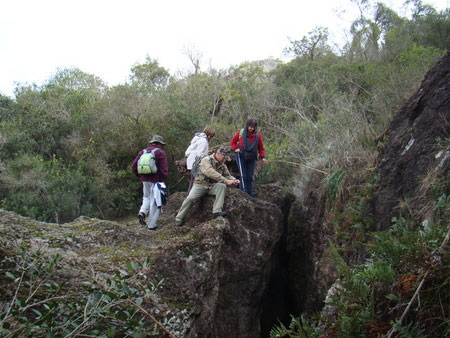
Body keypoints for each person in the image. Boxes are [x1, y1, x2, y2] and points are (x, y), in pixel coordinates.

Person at [175, 146, 240, 226]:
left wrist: (234, 180)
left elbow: (227, 175)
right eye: (224, 157)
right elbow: (209, 172)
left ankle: (217, 211)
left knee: (222, 186)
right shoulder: (206, 160)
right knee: (190, 198)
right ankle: (179, 218)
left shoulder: (222, 165)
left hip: (212, 185)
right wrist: (226, 181)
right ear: (218, 154)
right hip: (200, 185)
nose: (225, 160)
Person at [131, 135, 169, 230]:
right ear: (159, 144)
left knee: (146, 197)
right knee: (155, 202)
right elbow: (164, 169)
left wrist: (140, 176)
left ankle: (143, 211)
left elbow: (134, 166)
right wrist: (163, 181)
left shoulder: (142, 152)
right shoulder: (160, 153)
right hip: (157, 180)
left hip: (144, 180)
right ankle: (151, 226)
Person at [230, 118, 267, 197]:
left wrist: (263, 157)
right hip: (241, 156)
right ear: (247, 126)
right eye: (250, 127)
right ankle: (243, 192)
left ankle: (250, 193)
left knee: (250, 176)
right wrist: (235, 149)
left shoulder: (257, 135)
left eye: (253, 127)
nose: (251, 128)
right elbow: (232, 142)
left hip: (252, 157)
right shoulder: (241, 132)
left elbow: (261, 148)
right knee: (243, 175)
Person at [185, 126, 216, 191]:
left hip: (192, 162)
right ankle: (191, 197)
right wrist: (208, 156)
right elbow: (200, 154)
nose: (211, 138)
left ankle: (190, 196)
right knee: (195, 182)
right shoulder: (203, 141)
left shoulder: (199, 139)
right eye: (212, 136)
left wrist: (206, 152)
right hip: (196, 163)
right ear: (209, 135)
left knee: (192, 181)